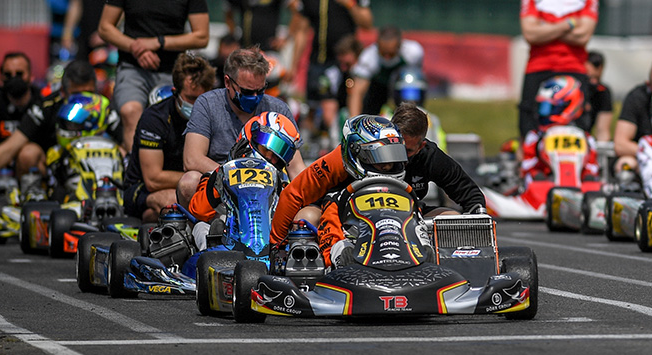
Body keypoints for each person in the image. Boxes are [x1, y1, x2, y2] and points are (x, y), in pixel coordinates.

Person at [270, 107, 487, 263]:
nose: (396, 159)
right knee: (305, 217)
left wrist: (478, 218)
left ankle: (438, 262)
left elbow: (468, 192)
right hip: (346, 216)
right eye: (391, 150)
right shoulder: (345, 155)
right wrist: (274, 247)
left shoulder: (429, 156)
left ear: (420, 146)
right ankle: (326, 260)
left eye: (405, 152)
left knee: (450, 219)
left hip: (404, 216)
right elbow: (295, 193)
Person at [98, 0, 210, 152]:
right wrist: (137, 47)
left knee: (172, 125)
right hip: (132, 67)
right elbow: (106, 27)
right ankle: (135, 178)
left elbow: (201, 36)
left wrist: (158, 43)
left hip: (172, 71)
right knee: (130, 112)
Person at [0, 60, 114, 193]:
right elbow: (9, 148)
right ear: (63, 92)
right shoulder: (47, 106)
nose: (83, 101)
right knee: (27, 153)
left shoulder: (104, 106)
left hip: (99, 169)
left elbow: (127, 145)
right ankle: (32, 199)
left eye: (88, 94)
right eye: (77, 95)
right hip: (55, 172)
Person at [177, 48, 305, 208]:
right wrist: (239, 176)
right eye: (247, 92)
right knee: (189, 182)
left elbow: (296, 166)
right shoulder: (207, 104)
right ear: (228, 82)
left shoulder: (278, 109)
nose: (255, 97)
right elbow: (192, 159)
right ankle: (198, 228)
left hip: (269, 189)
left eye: (261, 90)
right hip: (219, 186)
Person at [184, 111, 305, 248]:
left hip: (268, 239)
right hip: (227, 239)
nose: (270, 159)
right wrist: (224, 179)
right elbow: (198, 211)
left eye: (276, 157)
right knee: (201, 227)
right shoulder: (218, 175)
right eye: (266, 151)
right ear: (249, 138)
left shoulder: (281, 184)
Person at [517, 0, 598, 139]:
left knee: (578, 128)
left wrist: (545, 28)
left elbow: (583, 36)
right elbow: (530, 34)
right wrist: (569, 23)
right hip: (538, 68)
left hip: (573, 68)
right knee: (530, 130)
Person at [123, 54, 218, 222]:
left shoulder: (215, 116)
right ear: (175, 92)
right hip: (144, 189)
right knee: (173, 203)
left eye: (202, 99)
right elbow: (153, 179)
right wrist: (196, 179)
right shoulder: (155, 118)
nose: (197, 105)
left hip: (195, 185)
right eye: (190, 98)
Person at [290, 0, 372, 132]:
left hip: (346, 63)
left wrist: (348, 2)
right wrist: (293, 65)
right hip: (320, 61)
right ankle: (313, 144)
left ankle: (348, 138)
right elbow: (301, 32)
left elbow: (367, 23)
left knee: (347, 105)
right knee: (316, 108)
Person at [520, 76, 600, 188]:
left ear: (568, 105)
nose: (544, 113)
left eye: (548, 107)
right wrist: (537, 175)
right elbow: (527, 166)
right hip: (544, 188)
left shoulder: (586, 138)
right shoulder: (535, 136)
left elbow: (592, 167)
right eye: (542, 107)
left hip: (579, 190)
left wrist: (588, 177)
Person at [0, 51, 43, 158]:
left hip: (30, 159)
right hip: (0, 162)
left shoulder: (41, 100)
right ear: (1, 77)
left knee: (29, 154)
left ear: (31, 76)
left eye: (19, 74)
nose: (14, 78)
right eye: (8, 74)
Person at [613, 59, 652, 169]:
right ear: (649, 83)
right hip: (646, 158)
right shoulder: (637, 97)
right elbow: (620, 144)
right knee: (625, 164)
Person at [348, 25, 424, 118]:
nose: (387, 58)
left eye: (391, 54)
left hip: (402, 87)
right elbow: (357, 92)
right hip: (377, 89)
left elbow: (417, 79)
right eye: (383, 53)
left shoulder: (413, 52)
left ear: (399, 46)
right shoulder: (369, 57)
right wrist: (354, 119)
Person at [583, 51, 614, 143]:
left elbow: (603, 129)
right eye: (589, 79)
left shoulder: (602, 92)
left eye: (595, 79)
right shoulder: (576, 89)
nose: (593, 83)